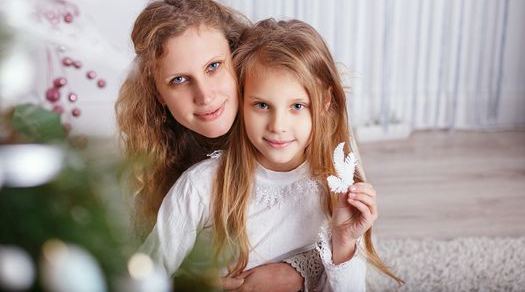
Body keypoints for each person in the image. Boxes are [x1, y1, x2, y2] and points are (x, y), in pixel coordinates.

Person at [142, 19, 403, 290]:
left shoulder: (336, 186)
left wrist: (345, 242)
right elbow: (144, 277)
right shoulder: (201, 186)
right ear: (241, 100)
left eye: (298, 106)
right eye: (262, 105)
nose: (278, 126)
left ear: (325, 102)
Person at [115, 0, 322, 291]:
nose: (205, 95)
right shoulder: (174, 173)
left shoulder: (298, 125)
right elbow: (149, 267)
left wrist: (297, 271)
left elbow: (355, 243)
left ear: (237, 58)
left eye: (213, 66)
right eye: (179, 80)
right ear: (158, 93)